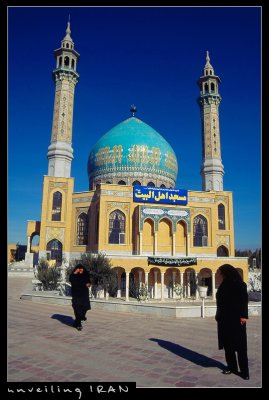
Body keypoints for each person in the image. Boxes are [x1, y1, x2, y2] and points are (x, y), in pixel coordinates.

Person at [215, 264, 249, 380]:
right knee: (228, 345)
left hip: (237, 319)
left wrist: (244, 316)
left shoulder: (240, 284)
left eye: (221, 272)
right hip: (224, 319)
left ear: (227, 272)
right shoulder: (224, 284)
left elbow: (244, 300)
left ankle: (245, 372)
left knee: (240, 346)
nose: (220, 274)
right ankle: (232, 367)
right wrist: (218, 315)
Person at [69, 264, 91, 331]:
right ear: (76, 269)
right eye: (79, 268)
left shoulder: (86, 275)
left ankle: (78, 320)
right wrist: (75, 273)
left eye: (81, 268)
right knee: (77, 309)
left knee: (85, 308)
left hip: (84, 295)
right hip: (76, 295)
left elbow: (89, 282)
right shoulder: (74, 275)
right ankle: (78, 325)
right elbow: (71, 280)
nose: (80, 269)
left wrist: (89, 284)